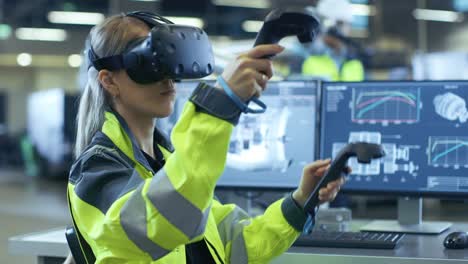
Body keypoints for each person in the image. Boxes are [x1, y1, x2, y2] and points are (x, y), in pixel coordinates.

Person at [67, 11, 346, 263]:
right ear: (109, 81)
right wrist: (220, 102)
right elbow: (160, 221)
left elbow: (235, 243)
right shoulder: (96, 171)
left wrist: (300, 200)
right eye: (147, 63)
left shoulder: (167, 165)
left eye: (167, 62)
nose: (167, 78)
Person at [302, 0, 365, 81]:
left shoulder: (355, 64)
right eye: (341, 23)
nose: (346, 29)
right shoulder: (311, 62)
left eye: (347, 24)